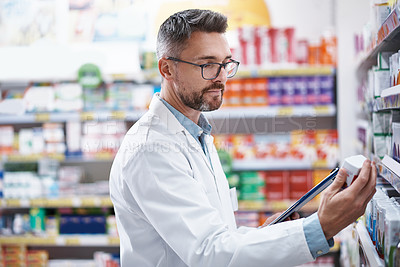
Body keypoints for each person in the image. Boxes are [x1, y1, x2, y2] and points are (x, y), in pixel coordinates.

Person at [109, 9, 377, 267]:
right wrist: (322, 226)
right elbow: (210, 253)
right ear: (167, 69)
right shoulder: (150, 149)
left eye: (226, 64)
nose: (222, 78)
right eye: (207, 65)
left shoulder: (196, 133)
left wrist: (269, 234)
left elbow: (217, 236)